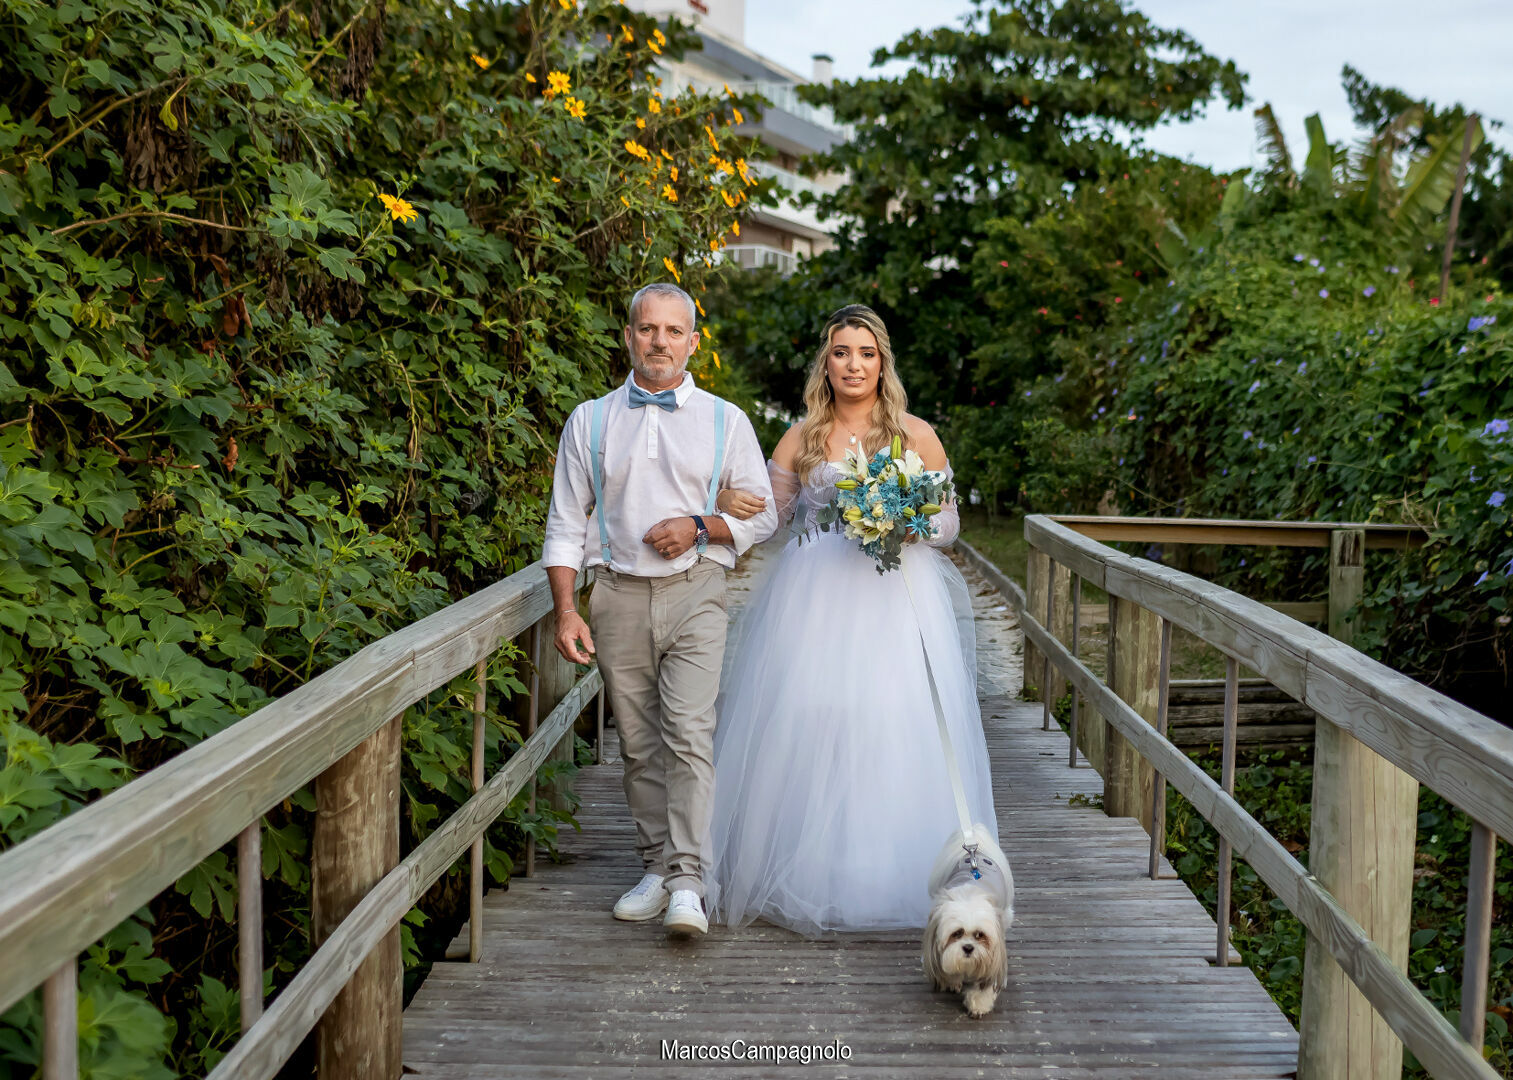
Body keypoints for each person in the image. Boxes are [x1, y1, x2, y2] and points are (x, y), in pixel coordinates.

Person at [704, 303, 997, 936]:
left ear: (882, 363)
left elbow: (949, 523)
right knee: (814, 717)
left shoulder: (915, 434)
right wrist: (724, 499)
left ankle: (885, 872)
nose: (854, 365)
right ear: (826, 363)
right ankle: (815, 871)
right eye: (841, 353)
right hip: (814, 600)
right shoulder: (801, 437)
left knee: (891, 721)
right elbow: (768, 520)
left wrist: (909, 523)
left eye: (866, 354)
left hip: (897, 600)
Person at [542, 283, 777, 937]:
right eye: (647, 329)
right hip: (615, 593)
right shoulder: (589, 421)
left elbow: (763, 514)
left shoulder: (726, 421)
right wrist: (566, 609)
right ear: (628, 336)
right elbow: (565, 524)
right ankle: (656, 867)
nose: (659, 342)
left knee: (689, 734)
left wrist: (701, 526)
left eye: (674, 331)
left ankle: (688, 882)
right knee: (639, 744)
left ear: (693, 343)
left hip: (696, 589)